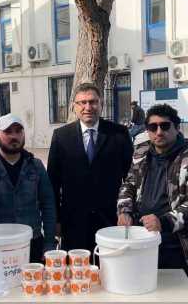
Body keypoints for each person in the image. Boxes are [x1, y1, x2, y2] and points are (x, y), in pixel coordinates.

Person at [117, 104, 188, 285]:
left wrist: (163, 222)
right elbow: (129, 184)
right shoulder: (141, 153)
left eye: (165, 126)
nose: (159, 132)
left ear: (177, 128)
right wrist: (124, 210)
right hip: (141, 241)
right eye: (153, 127)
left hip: (176, 246)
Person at [48, 83, 133, 252]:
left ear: (101, 104)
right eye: (82, 102)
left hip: (110, 220)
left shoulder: (119, 134)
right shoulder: (61, 136)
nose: (88, 107)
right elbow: (53, 182)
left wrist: (127, 211)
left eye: (93, 102)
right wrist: (55, 220)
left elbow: (131, 178)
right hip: (73, 222)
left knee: (109, 271)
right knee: (78, 273)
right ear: (74, 106)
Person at [0, 114, 56, 262]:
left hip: (32, 243)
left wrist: (49, 243)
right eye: (8, 132)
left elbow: (48, 205)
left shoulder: (36, 166)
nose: (14, 136)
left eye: (18, 131)